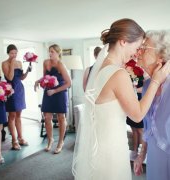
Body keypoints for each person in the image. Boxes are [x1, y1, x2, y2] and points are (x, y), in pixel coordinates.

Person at [72, 18, 170, 180]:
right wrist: (155, 81)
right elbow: (138, 116)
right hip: (112, 150)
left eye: (142, 49)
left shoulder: (96, 70)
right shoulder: (118, 74)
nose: (137, 52)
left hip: (98, 149)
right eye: (138, 47)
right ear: (124, 42)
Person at [133, 30, 170, 180]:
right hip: (155, 156)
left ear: (161, 55)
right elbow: (147, 127)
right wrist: (141, 155)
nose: (138, 52)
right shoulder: (148, 85)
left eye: (145, 48)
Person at [34, 44, 71, 154]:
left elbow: (69, 83)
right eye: (49, 52)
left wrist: (55, 91)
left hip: (59, 92)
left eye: (52, 52)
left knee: (61, 117)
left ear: (58, 53)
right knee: (47, 117)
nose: (50, 54)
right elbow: (45, 77)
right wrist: (38, 81)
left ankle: (60, 142)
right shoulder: (46, 62)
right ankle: (50, 139)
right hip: (48, 92)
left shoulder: (61, 65)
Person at [2, 44, 31, 150]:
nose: (14, 55)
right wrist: (12, 64)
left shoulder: (19, 62)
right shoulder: (5, 63)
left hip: (19, 89)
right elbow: (9, 77)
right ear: (8, 53)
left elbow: (21, 77)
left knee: (19, 115)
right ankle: (14, 141)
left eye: (15, 53)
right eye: (11, 53)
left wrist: (27, 71)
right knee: (12, 115)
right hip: (11, 90)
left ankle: (20, 137)